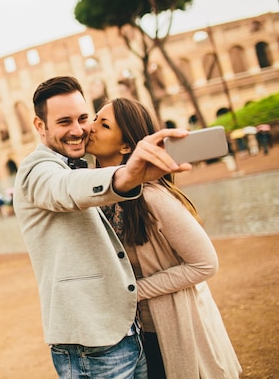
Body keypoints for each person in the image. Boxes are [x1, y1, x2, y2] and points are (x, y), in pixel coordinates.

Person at [12, 76, 192, 379]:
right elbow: (66, 188)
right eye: (64, 122)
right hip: (90, 343)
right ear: (40, 125)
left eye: (84, 118)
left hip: (123, 331)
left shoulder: (79, 164)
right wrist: (124, 176)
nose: (78, 130)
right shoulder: (37, 171)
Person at [86, 97, 242, 378]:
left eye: (104, 124)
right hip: (135, 334)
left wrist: (133, 292)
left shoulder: (151, 196)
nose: (91, 126)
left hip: (172, 328)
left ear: (125, 146)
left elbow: (205, 264)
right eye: (95, 118)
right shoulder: (95, 194)